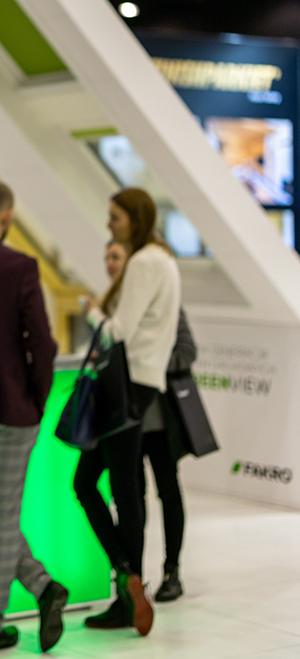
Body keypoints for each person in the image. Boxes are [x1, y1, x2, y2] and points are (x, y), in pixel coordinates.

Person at [75, 188, 180, 637]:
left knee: (99, 485)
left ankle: (126, 581)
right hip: (143, 384)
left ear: (134, 219)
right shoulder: (166, 261)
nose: (109, 224)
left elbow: (118, 331)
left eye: (115, 217)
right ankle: (127, 581)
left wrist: (92, 311)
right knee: (123, 488)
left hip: (124, 385)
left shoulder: (144, 262)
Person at [0, 179, 69, 654]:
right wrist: (38, 399)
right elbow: (42, 343)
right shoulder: (20, 266)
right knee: (1, 515)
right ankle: (7, 613)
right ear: (7, 217)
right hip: (13, 410)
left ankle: (18, 603)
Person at [104, 240, 197, 603]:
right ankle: (134, 580)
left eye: (117, 257)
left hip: (159, 418)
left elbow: (187, 351)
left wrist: (152, 362)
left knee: (168, 491)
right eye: (107, 257)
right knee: (131, 498)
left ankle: (173, 570)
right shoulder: (116, 305)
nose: (111, 264)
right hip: (127, 418)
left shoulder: (162, 300)